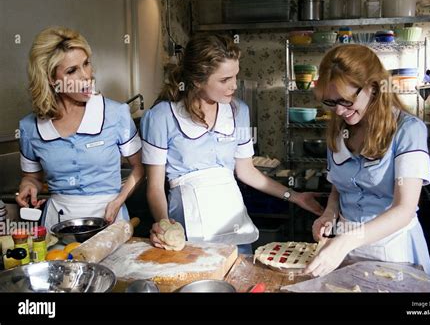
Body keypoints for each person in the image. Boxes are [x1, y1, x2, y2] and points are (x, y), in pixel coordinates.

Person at [142, 33, 323, 254]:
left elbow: (246, 171)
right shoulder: (161, 117)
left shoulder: (239, 112)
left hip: (232, 219)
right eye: (224, 80)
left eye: (235, 76)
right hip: (187, 224)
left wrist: (294, 196)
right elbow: (154, 187)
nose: (234, 86)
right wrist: (165, 226)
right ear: (197, 80)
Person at [304, 44, 430, 277]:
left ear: (373, 87)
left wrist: (345, 241)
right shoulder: (339, 131)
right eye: (331, 102)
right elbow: (340, 184)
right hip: (344, 251)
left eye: (345, 101)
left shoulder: (408, 131)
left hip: (392, 251)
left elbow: (404, 209)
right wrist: (329, 213)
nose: (339, 112)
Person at [16, 26, 144, 229]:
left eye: (86, 64)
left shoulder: (116, 113)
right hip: (57, 223)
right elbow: (32, 177)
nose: (86, 76)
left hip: (110, 217)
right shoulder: (30, 128)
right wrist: (28, 186)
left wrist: (119, 200)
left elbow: (139, 167)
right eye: (72, 71)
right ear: (51, 79)